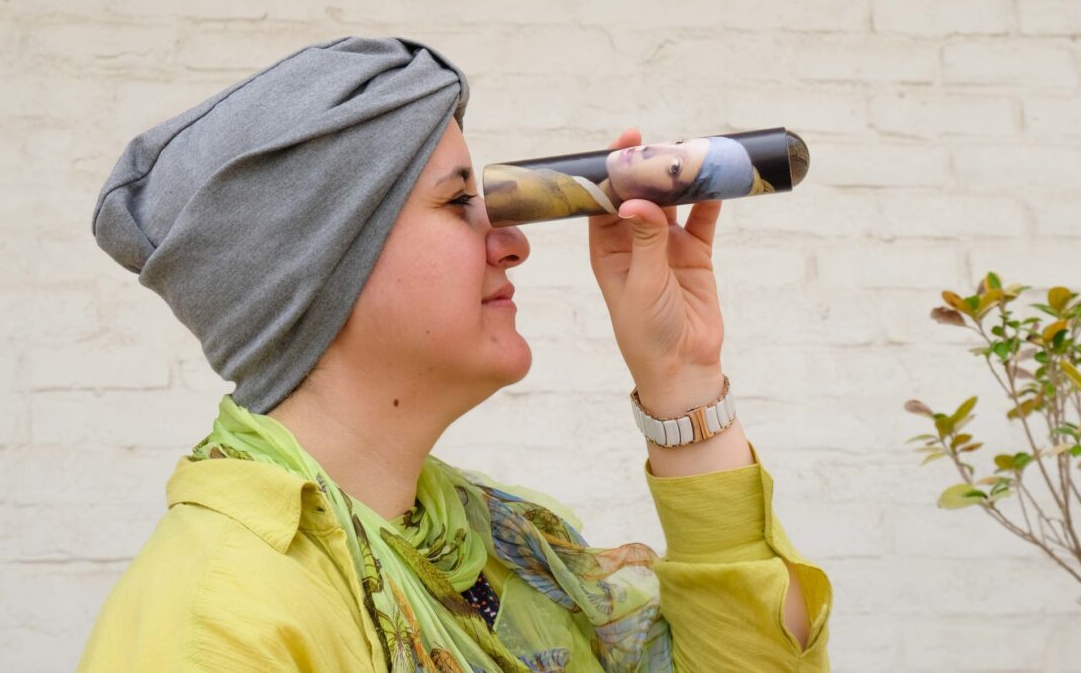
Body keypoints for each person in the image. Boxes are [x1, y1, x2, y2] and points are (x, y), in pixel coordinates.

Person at [79, 37, 832, 672]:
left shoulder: (487, 547)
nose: (513, 242)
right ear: (322, 268)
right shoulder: (221, 623)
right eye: (458, 203)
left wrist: (683, 379)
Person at [483, 135, 774, 227]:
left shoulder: (530, 193)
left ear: (672, 198)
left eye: (674, 167)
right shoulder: (555, 185)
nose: (653, 149)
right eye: (678, 143)